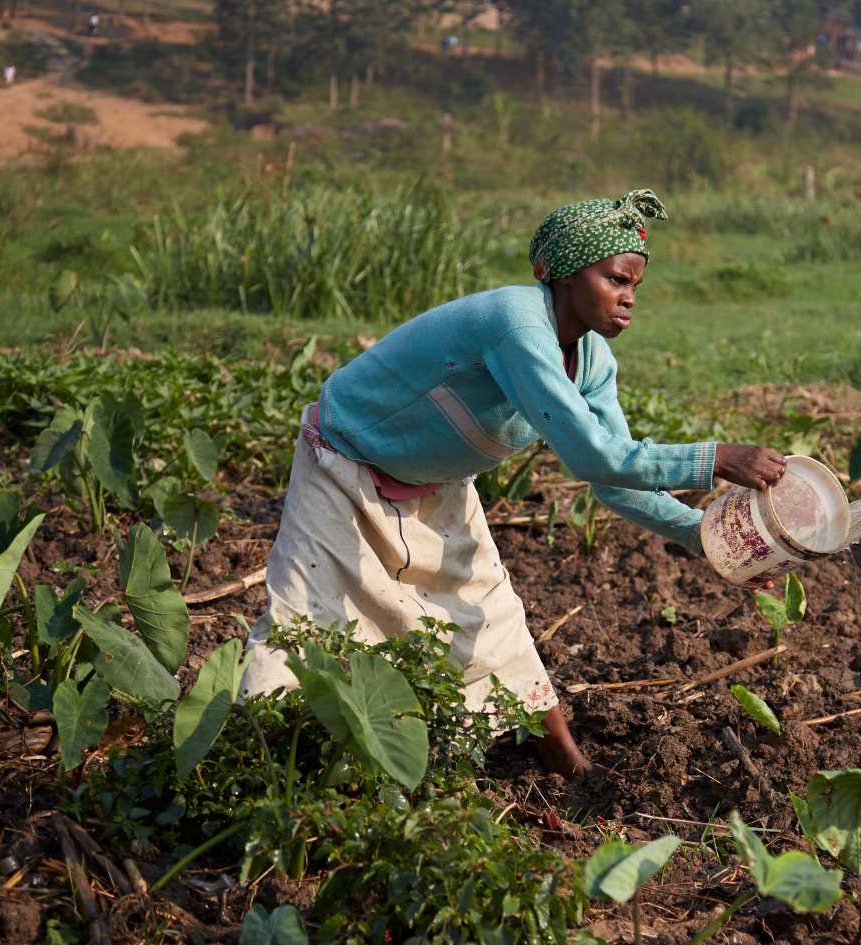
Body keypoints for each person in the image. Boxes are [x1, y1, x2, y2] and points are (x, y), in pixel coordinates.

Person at [240, 190, 786, 778]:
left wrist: (707, 538)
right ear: (565, 277)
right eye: (615, 279)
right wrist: (716, 458)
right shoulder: (515, 324)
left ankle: (568, 766)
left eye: (635, 286)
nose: (628, 297)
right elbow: (595, 457)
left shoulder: (594, 361)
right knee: (303, 619)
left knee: (490, 614)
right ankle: (244, 756)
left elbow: (617, 479)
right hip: (341, 464)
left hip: (437, 482)